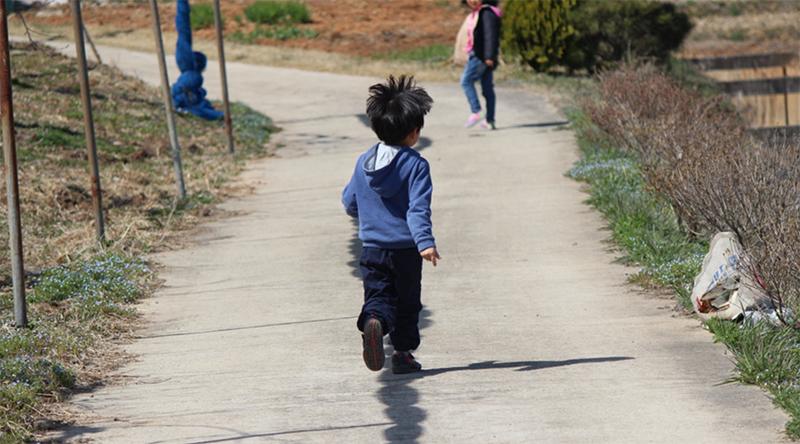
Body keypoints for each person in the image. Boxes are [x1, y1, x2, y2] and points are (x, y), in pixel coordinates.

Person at [342, 75, 440, 374]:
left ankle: (375, 321)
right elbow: (417, 209)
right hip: (405, 250)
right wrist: (425, 243)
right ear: (414, 132)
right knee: (407, 302)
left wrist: (366, 213)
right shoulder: (416, 165)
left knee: (378, 295)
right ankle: (402, 354)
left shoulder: (364, 161)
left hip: (372, 248)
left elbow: (349, 200)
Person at [460, 0, 501, 130]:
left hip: (481, 56)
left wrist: (489, 56)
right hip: (483, 55)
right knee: (487, 88)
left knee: (466, 81)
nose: (472, 1)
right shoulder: (477, 13)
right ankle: (490, 120)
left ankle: (476, 111)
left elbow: (490, 35)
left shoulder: (486, 13)